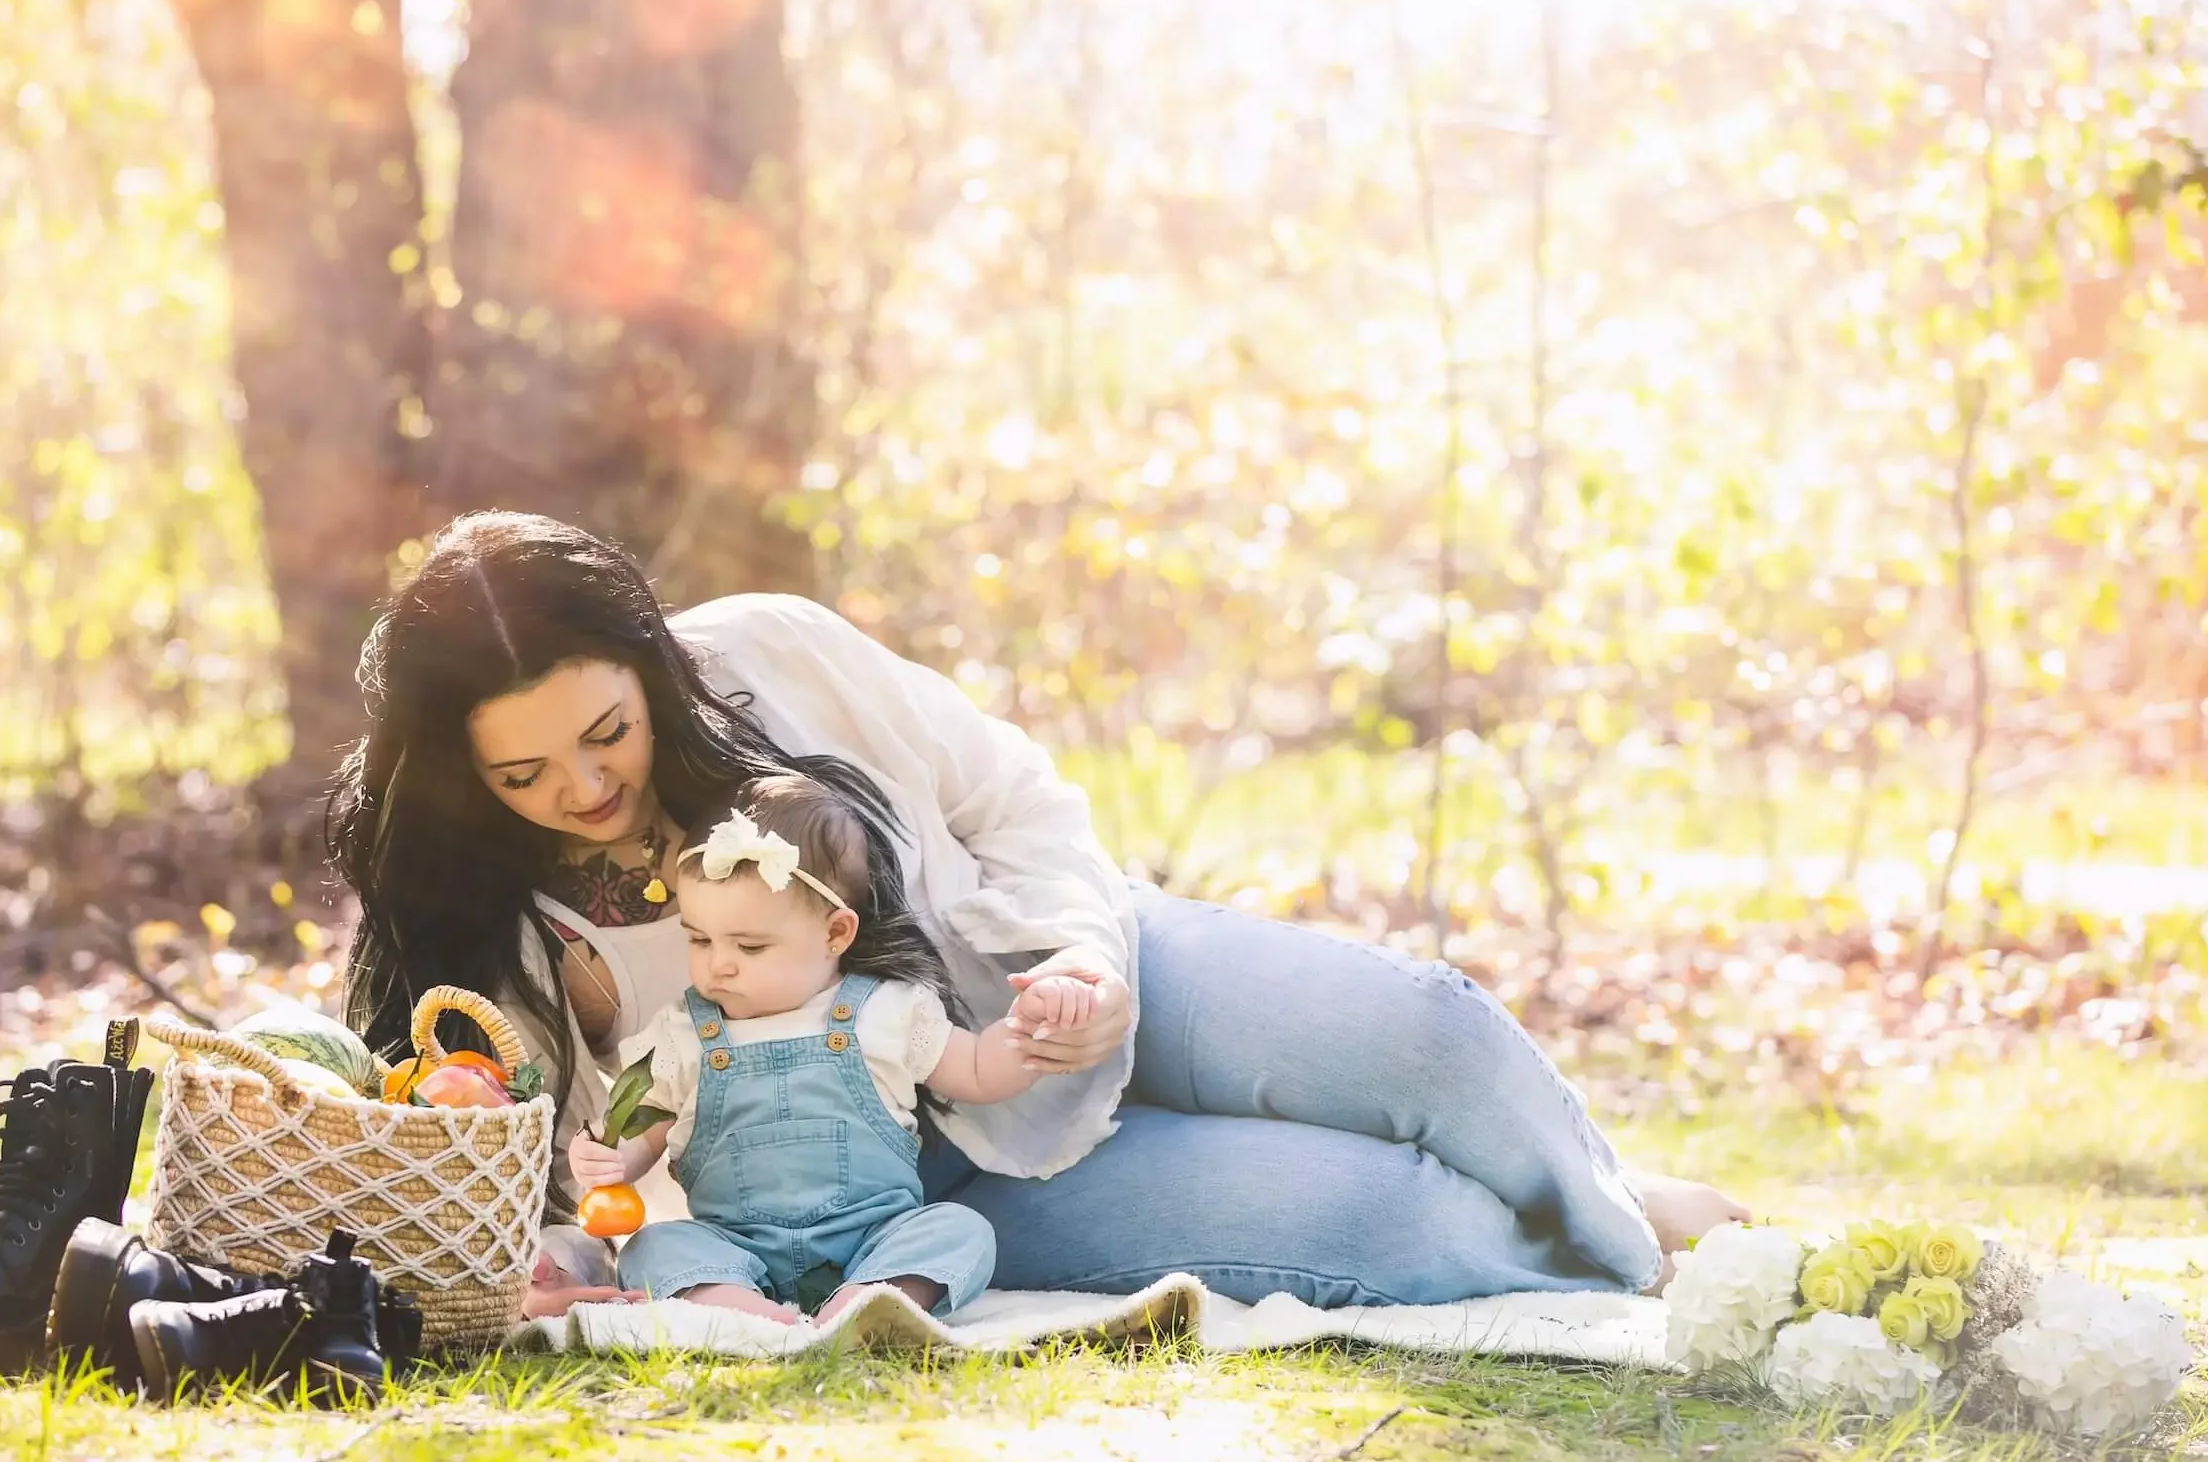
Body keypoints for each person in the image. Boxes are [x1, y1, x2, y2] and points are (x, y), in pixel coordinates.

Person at [332, 511, 1749, 1318]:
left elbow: (1010, 791)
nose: (583, 785)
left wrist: (1079, 950)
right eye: (524, 772)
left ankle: (1622, 1215)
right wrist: (559, 1248)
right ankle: (1643, 1268)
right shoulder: (495, 926)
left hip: (1066, 955)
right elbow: (539, 1150)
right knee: (1392, 1224)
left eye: (606, 731)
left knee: (1425, 1031)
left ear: (649, 666)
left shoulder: (766, 655)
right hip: (943, 1168)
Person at [568, 777, 1102, 1324]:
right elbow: (647, 1133)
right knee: (653, 1248)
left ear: (836, 934)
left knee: (962, 1231)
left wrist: (1031, 1022)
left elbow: (980, 1073)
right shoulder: (683, 1035)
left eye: (750, 946)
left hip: (875, 1242)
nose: (718, 964)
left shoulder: (885, 1014)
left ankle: (868, 1301)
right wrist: (615, 1162)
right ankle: (752, 1318)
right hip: (734, 1250)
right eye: (699, 939)